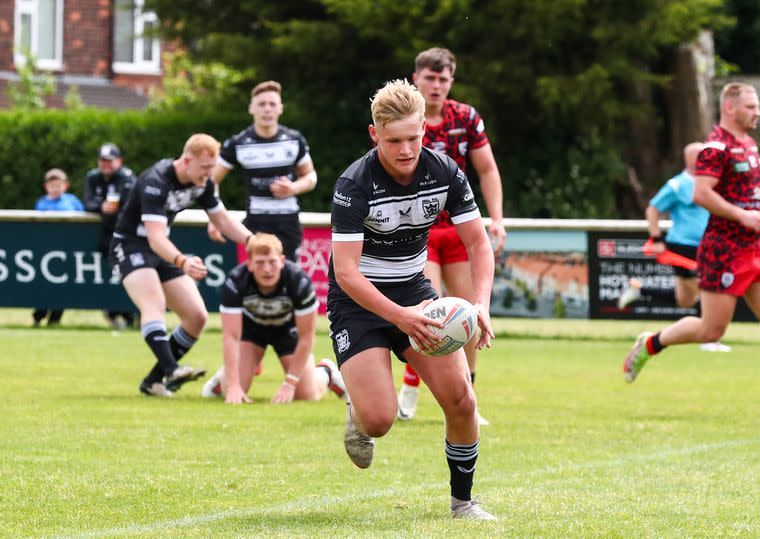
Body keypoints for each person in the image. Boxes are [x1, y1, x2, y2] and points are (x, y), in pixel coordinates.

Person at [329, 79, 497, 519]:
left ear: (425, 128)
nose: (405, 150)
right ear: (374, 135)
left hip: (416, 292)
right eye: (393, 140)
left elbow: (479, 245)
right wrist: (401, 318)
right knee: (380, 420)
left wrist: (480, 304)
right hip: (359, 302)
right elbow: (345, 272)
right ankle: (358, 411)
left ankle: (463, 504)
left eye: (413, 137)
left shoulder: (443, 172)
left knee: (461, 397)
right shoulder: (354, 184)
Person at [623, 82, 760, 419]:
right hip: (723, 250)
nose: (759, 112)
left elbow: (740, 187)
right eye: (751, 107)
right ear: (730, 109)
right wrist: (743, 214)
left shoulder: (749, 145)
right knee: (712, 330)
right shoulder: (715, 147)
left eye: (757, 106)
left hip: (755, 249)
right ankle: (650, 343)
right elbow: (702, 194)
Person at [397, 47, 506, 424]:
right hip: (418, 230)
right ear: (417, 78)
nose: (437, 85)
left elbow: (488, 170)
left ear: (451, 82)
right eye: (430, 78)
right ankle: (411, 386)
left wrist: (497, 219)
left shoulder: (466, 117)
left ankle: (468, 397)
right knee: (429, 309)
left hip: (459, 227)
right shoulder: (404, 118)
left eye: (444, 79)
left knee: (466, 313)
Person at [110, 134, 258, 398]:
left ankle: (153, 381)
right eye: (204, 168)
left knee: (196, 316)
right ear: (186, 160)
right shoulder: (156, 181)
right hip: (132, 245)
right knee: (153, 303)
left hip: (160, 247)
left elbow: (222, 219)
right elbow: (154, 237)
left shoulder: (202, 181)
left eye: (212, 168)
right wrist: (182, 261)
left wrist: (251, 241)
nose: (209, 174)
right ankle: (172, 368)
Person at [200, 232, 347, 404]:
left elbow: (306, 337)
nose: (267, 269)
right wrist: (232, 386)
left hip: (287, 330)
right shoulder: (236, 281)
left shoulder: (298, 281)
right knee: (233, 390)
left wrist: (290, 384)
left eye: (272, 262)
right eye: (260, 263)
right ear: (249, 265)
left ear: (282, 261)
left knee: (307, 395)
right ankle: (224, 379)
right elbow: (231, 337)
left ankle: (325, 372)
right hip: (251, 332)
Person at [617, 142, 731, 352]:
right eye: (700, 156)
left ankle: (639, 289)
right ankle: (708, 339)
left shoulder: (712, 183)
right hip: (683, 247)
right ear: (690, 159)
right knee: (707, 288)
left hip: (706, 246)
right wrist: (657, 239)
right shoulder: (677, 185)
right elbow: (652, 210)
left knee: (685, 300)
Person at [206, 80, 317, 262]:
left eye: (272, 104)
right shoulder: (239, 143)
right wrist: (215, 217)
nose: (267, 109)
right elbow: (211, 181)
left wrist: (293, 188)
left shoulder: (294, 140)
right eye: (262, 104)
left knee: (289, 282)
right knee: (257, 281)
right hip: (255, 226)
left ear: (280, 108)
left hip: (288, 224)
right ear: (251, 108)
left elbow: (311, 176)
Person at [82, 143, 138, 329]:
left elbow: (131, 202)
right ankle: (114, 314)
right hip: (106, 236)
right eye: (102, 161)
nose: (105, 165)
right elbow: (88, 202)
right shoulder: (92, 177)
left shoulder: (127, 177)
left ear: (119, 161)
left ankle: (133, 315)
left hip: (128, 235)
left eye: (109, 161)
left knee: (129, 274)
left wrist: (114, 207)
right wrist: (101, 207)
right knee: (108, 274)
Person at [33, 168, 84, 326]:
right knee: (44, 286)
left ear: (65, 185)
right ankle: (38, 316)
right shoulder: (41, 203)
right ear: (46, 186)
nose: (55, 188)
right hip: (47, 251)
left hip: (68, 250)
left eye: (59, 184)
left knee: (63, 287)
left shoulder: (72, 201)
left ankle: (55, 319)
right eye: (52, 185)